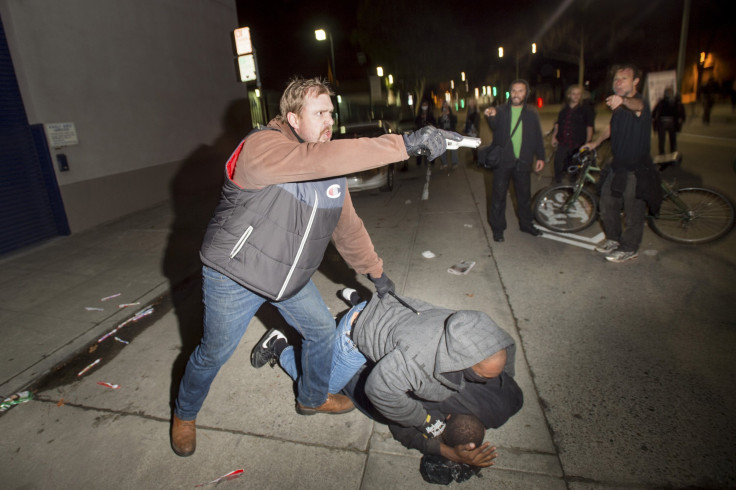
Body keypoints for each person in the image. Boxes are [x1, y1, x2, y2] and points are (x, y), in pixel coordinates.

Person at [170, 76, 462, 457]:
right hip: (235, 274)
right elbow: (315, 159)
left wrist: (377, 273)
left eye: (331, 112)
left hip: (288, 276)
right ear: (292, 119)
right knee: (213, 353)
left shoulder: (329, 172)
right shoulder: (261, 147)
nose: (329, 120)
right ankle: (184, 413)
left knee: (322, 333)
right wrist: (402, 144)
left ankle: (311, 398)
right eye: (319, 112)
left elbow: (349, 229)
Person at [251, 290, 523, 471]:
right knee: (319, 391)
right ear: (446, 418)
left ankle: (360, 301)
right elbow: (385, 401)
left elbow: (505, 345)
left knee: (383, 345)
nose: (492, 377)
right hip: (356, 334)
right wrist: (433, 433)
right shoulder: (422, 372)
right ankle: (280, 345)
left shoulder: (506, 402)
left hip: (398, 309)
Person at [584, 64, 661, 263]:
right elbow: (611, 128)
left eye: (624, 79)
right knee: (607, 203)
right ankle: (613, 239)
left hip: (636, 168)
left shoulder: (639, 103)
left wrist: (623, 100)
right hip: (617, 165)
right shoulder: (618, 108)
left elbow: (638, 106)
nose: (618, 83)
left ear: (636, 82)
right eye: (616, 79)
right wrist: (595, 143)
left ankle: (629, 247)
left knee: (633, 211)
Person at [483, 80, 546, 242]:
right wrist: (491, 114)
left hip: (523, 161)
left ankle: (526, 225)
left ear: (526, 94)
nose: (516, 94)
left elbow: (537, 136)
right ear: (509, 93)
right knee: (498, 197)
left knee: (524, 197)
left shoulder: (531, 113)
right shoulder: (501, 111)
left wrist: (541, 156)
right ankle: (498, 229)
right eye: (514, 91)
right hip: (503, 162)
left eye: (520, 91)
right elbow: (494, 125)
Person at [550, 84, 595, 183]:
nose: (576, 96)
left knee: (574, 167)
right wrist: (554, 137)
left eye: (578, 94)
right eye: (573, 94)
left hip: (577, 143)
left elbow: (589, 126)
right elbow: (558, 124)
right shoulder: (564, 109)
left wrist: (588, 142)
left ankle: (572, 189)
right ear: (569, 95)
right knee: (557, 163)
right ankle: (557, 183)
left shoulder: (586, 109)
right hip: (563, 141)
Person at [652, 87, 685, 155]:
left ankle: (663, 154)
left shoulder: (662, 101)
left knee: (662, 139)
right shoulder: (675, 101)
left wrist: (654, 120)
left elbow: (654, 112)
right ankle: (672, 153)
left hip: (663, 122)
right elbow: (680, 112)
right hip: (671, 121)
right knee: (672, 139)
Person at [415, 99, 437, 166]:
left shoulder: (430, 114)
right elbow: (416, 123)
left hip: (429, 134)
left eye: (426, 105)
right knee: (419, 148)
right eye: (423, 105)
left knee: (430, 148)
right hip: (421, 134)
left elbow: (434, 123)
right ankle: (419, 162)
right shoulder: (419, 115)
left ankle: (432, 161)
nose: (424, 106)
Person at [437, 101, 459, 169]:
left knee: (453, 148)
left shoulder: (451, 114)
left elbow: (455, 121)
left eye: (446, 106)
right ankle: (444, 163)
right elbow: (438, 124)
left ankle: (454, 163)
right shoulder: (441, 115)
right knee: (443, 148)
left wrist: (449, 115)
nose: (445, 107)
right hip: (443, 133)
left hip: (451, 133)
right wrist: (440, 117)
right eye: (444, 106)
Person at [464, 98, 481, 164]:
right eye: (470, 102)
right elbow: (467, 118)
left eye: (472, 102)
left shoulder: (477, 110)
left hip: (475, 129)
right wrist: (466, 126)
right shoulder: (469, 110)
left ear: (474, 103)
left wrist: (476, 129)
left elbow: (478, 120)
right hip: (470, 128)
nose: (471, 103)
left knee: (475, 143)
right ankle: (474, 156)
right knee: (471, 143)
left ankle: (476, 157)